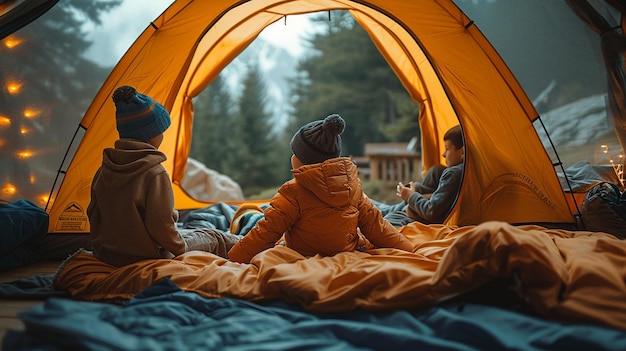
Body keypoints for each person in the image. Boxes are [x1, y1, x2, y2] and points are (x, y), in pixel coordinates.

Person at [228, 114, 414, 264]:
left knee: (258, 222)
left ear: (300, 160)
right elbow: (377, 227)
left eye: (295, 153)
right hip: (346, 252)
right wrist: (409, 250)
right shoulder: (353, 188)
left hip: (303, 254)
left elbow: (266, 231)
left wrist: (235, 258)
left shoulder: (293, 192)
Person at [88, 85, 241, 267]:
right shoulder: (154, 173)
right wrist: (179, 247)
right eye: (160, 131)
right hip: (150, 255)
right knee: (212, 237)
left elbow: (93, 213)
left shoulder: (103, 170)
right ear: (150, 134)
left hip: (109, 254)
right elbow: (160, 225)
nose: (162, 136)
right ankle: (252, 243)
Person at [384, 125, 464, 227]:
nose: (443, 154)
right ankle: (392, 209)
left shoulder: (453, 174)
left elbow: (431, 211)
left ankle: (390, 210)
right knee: (437, 170)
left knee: (383, 223)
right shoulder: (469, 171)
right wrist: (417, 190)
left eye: (447, 148)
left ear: (462, 152)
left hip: (419, 219)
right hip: (419, 210)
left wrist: (410, 196)